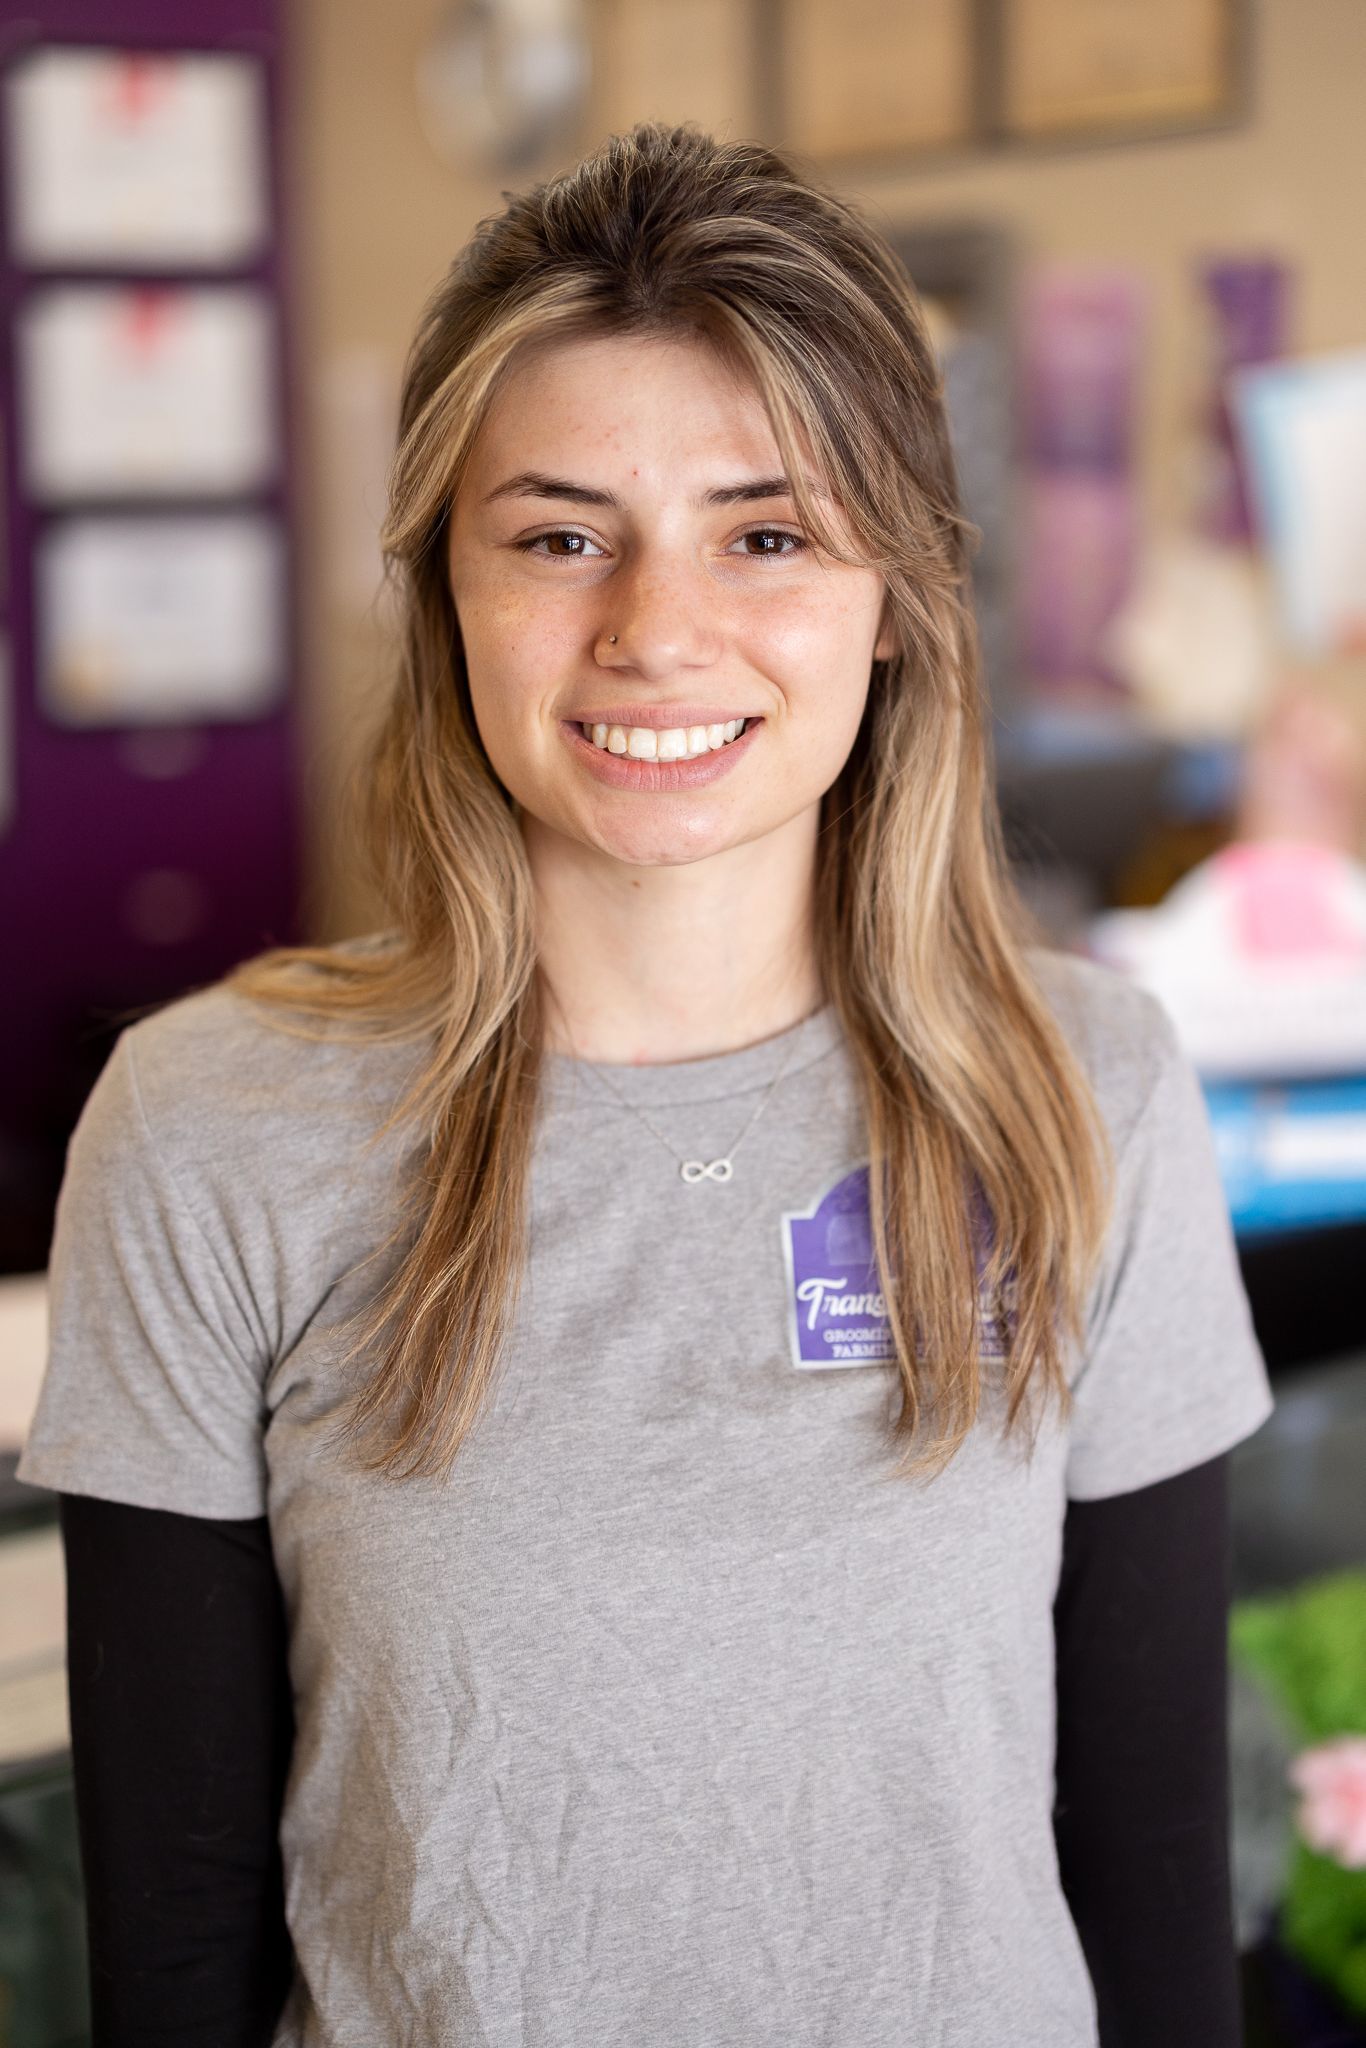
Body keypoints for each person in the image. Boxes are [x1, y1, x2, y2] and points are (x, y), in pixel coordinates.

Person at [19, 123, 1273, 2048]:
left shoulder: (1081, 1089)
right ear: (448, 589)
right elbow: (174, 1938)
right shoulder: (208, 1127)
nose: (654, 630)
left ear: (895, 592)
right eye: (557, 534)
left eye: (764, 534)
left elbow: (1152, 1875)